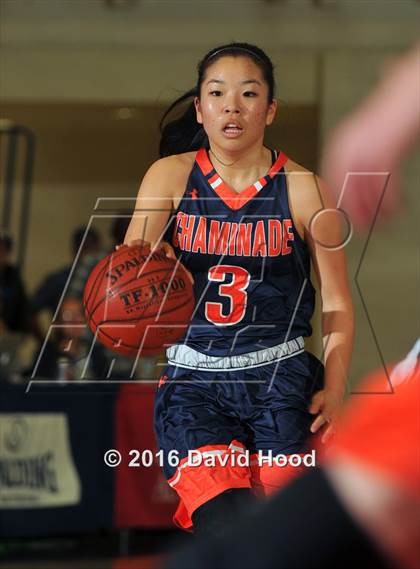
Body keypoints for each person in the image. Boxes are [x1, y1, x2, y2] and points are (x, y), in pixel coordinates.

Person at [124, 42, 354, 535]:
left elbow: (336, 301)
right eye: (217, 93)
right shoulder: (169, 177)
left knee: (282, 538)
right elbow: (128, 287)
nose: (232, 105)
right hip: (195, 383)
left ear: (269, 109)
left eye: (249, 93)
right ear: (201, 109)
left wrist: (334, 388)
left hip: (283, 379)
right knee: (226, 528)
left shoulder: (304, 188)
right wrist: (153, 271)